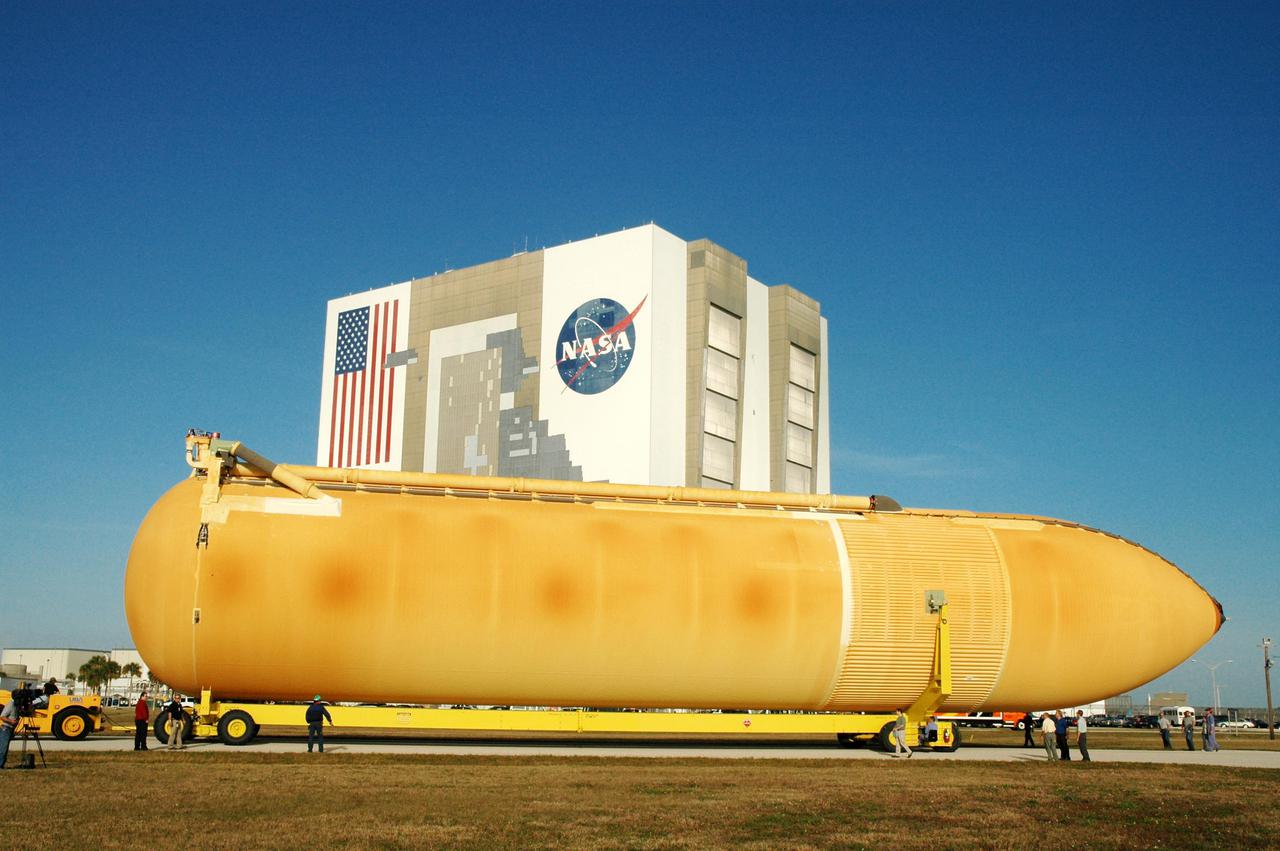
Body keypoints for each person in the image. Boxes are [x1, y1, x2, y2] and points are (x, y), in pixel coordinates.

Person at [0, 694, 18, 769]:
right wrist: (11, 721)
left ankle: (2, 764)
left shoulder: (16, 704)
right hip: (6, 728)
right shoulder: (10, 704)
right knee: (3, 748)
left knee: (5, 748)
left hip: (11, 729)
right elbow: (2, 716)